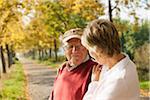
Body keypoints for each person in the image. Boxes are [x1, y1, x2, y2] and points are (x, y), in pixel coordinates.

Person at [81, 19, 140, 100]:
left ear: (98, 51)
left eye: (89, 50)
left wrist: (94, 83)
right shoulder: (114, 64)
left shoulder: (118, 80)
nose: (90, 54)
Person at [49, 28, 98, 100]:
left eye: (79, 46)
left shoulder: (95, 69)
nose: (74, 50)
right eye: (70, 46)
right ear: (65, 50)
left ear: (87, 47)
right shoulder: (62, 69)